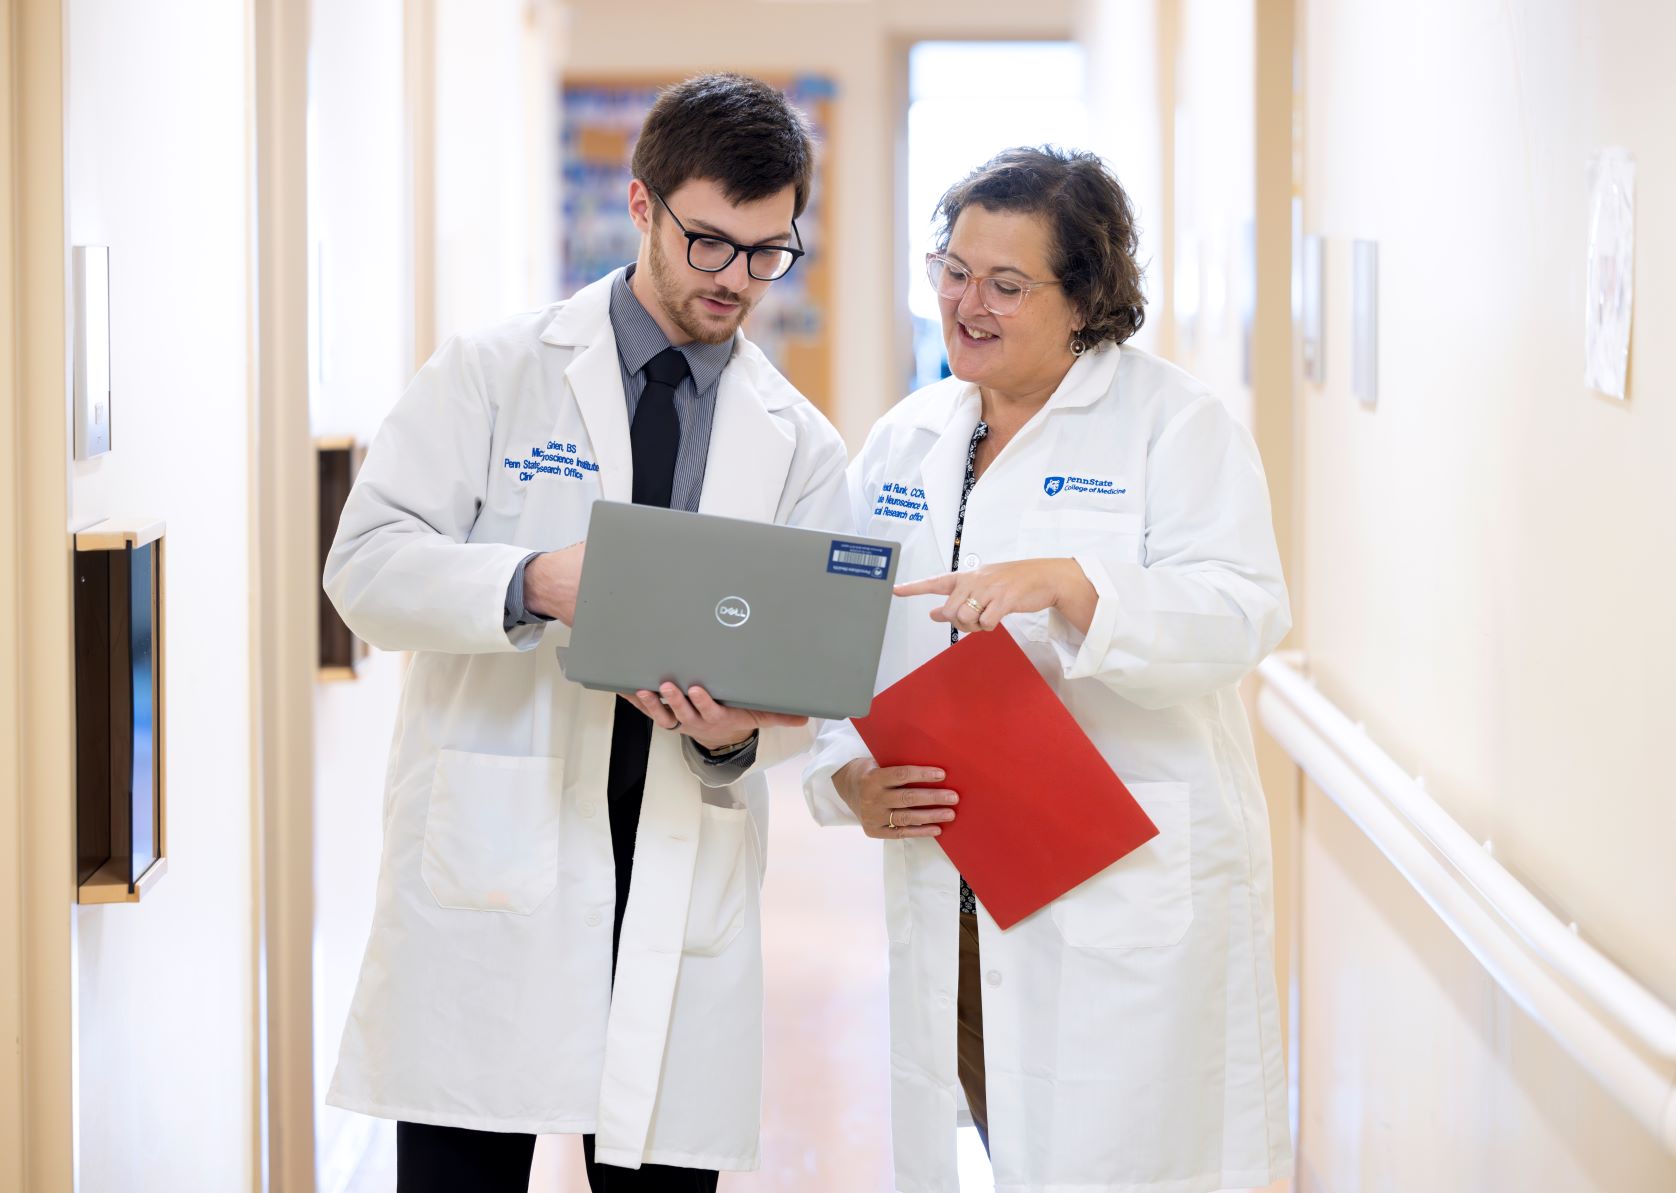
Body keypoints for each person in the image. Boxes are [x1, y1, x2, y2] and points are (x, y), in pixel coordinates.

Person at [324, 73, 848, 1192]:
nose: (737, 281)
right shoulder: (495, 371)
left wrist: (733, 732)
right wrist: (531, 580)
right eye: (710, 244)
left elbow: (814, 674)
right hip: (499, 850)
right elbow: (362, 570)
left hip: (675, 854)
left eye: (767, 252)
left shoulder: (797, 442)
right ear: (641, 204)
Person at [803, 146, 1294, 1192]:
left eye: (1005, 283)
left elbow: (1244, 611)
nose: (965, 302)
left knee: (1124, 1162)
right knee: (998, 1140)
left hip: (1112, 885)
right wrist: (844, 780)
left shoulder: (1174, 425)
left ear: (1085, 300)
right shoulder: (904, 440)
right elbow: (839, 646)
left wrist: (1074, 585)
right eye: (952, 268)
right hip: (958, 884)